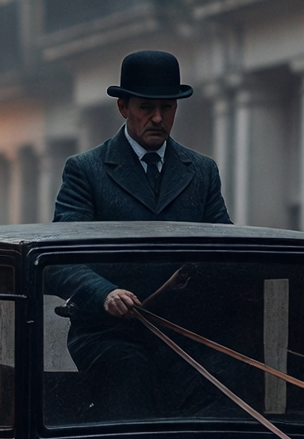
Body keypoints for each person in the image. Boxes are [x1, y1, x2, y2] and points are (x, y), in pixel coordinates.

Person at [48, 49, 232, 416]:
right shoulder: (86, 170)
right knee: (130, 372)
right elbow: (61, 259)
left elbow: (224, 248)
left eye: (168, 108)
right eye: (146, 107)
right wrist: (106, 293)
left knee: (225, 379)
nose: (158, 118)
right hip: (107, 336)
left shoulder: (202, 171)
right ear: (123, 107)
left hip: (183, 336)